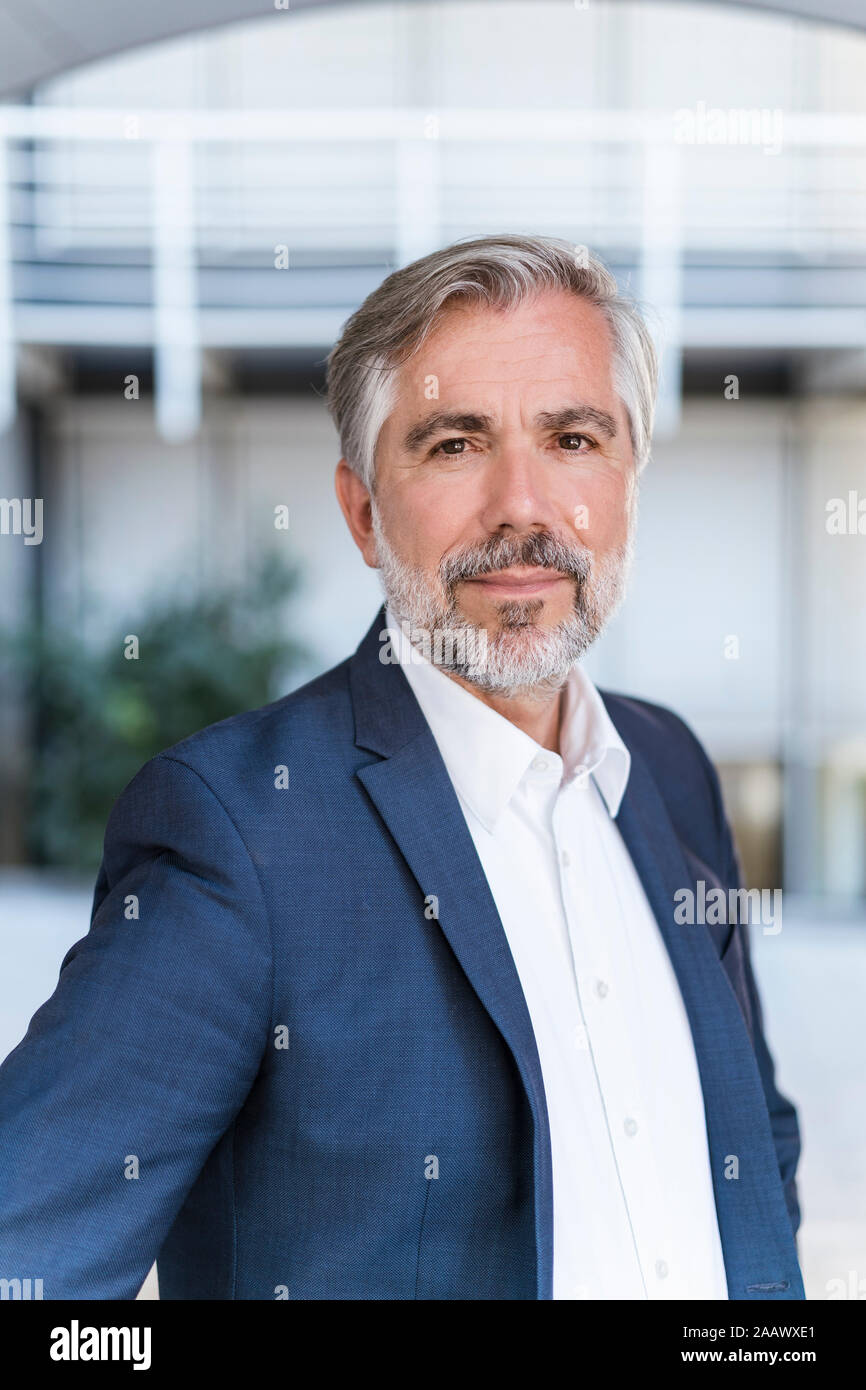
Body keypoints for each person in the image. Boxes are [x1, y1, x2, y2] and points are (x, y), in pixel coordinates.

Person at [0, 234, 803, 1300]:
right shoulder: (238, 834)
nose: (522, 504)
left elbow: (750, 1155)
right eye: (455, 443)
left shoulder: (668, 768)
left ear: (627, 481)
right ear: (360, 511)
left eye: (571, 437)